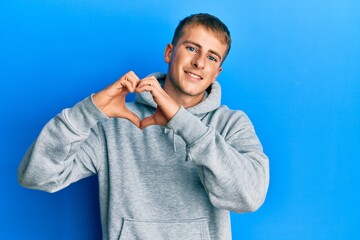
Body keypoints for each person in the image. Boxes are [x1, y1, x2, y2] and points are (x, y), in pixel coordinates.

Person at [18, 13, 270, 240]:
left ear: (216, 72)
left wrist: (182, 122)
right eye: (192, 48)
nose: (199, 62)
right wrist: (88, 110)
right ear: (169, 52)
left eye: (211, 57)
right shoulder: (118, 121)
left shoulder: (231, 124)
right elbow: (37, 176)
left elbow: (249, 197)